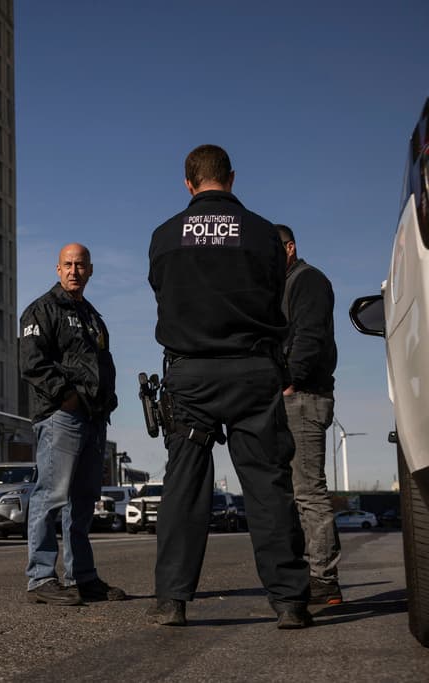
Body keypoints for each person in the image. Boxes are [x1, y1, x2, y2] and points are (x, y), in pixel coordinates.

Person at [146, 145, 312, 628]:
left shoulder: (164, 236)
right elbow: (274, 298)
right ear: (232, 178)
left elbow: (163, 292)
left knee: (184, 486)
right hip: (251, 369)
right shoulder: (263, 233)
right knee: (266, 483)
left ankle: (173, 599)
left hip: (191, 373)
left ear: (188, 183)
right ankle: (289, 601)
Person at [18, 243, 125, 605]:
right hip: (61, 416)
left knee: (81, 503)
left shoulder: (94, 317)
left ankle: (83, 577)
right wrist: (68, 398)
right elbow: (32, 363)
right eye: (68, 265)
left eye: (80, 265)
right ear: (57, 269)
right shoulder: (42, 310)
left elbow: (103, 364)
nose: (74, 271)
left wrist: (106, 400)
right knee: (50, 496)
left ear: (91, 270)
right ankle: (40, 578)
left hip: (94, 420)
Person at [277, 223, 343, 606]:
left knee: (308, 491)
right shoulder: (284, 284)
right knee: (292, 492)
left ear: (289, 248)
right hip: (294, 395)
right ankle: (310, 575)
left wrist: (290, 380)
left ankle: (323, 579)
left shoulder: (308, 280)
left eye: (273, 250)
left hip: (303, 396)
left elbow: (310, 336)